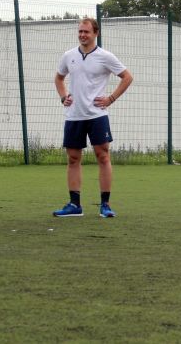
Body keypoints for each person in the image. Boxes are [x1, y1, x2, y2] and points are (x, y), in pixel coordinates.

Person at [53, 18, 133, 218]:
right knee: (73, 159)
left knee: (103, 157)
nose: (82, 35)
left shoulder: (105, 56)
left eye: (86, 32)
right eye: (80, 31)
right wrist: (63, 96)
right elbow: (59, 78)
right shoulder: (69, 56)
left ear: (95, 33)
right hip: (74, 116)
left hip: (97, 115)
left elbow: (127, 77)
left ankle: (105, 205)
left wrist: (111, 99)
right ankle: (75, 205)